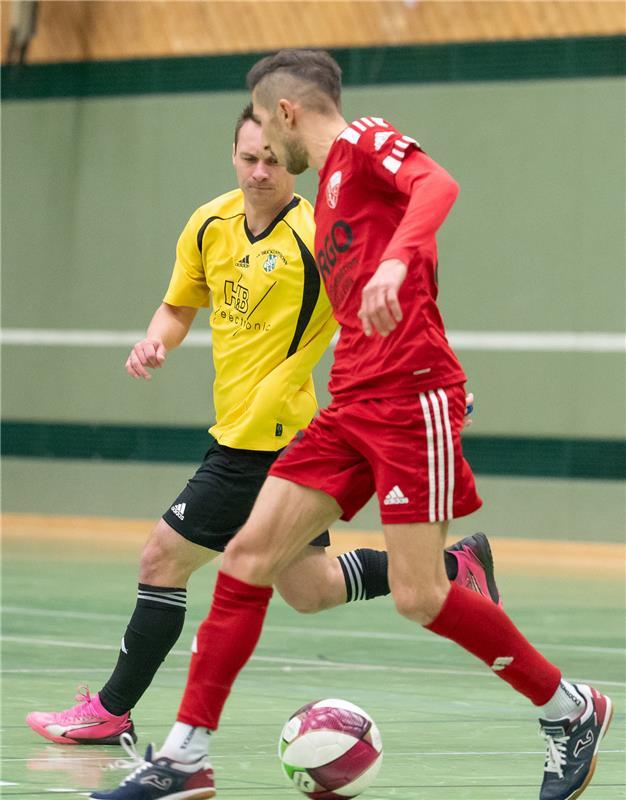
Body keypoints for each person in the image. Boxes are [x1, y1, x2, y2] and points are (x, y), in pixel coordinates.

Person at [90, 50, 613, 800]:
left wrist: (401, 266)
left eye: (271, 127)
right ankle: (184, 758)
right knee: (247, 560)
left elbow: (439, 184)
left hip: (408, 399)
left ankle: (570, 711)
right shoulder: (331, 192)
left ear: (289, 112)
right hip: (351, 405)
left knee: (419, 597)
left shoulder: (364, 144)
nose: (271, 150)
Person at [26, 104, 498, 749]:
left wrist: (443, 383)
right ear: (233, 157)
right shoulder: (208, 223)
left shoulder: (318, 234)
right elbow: (177, 305)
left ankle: (112, 710)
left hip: (272, 434)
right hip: (237, 428)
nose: (259, 172)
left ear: (293, 158)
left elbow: (389, 305)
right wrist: (155, 341)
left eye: (272, 159)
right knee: (308, 588)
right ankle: (449, 564)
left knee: (162, 559)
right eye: (248, 159)